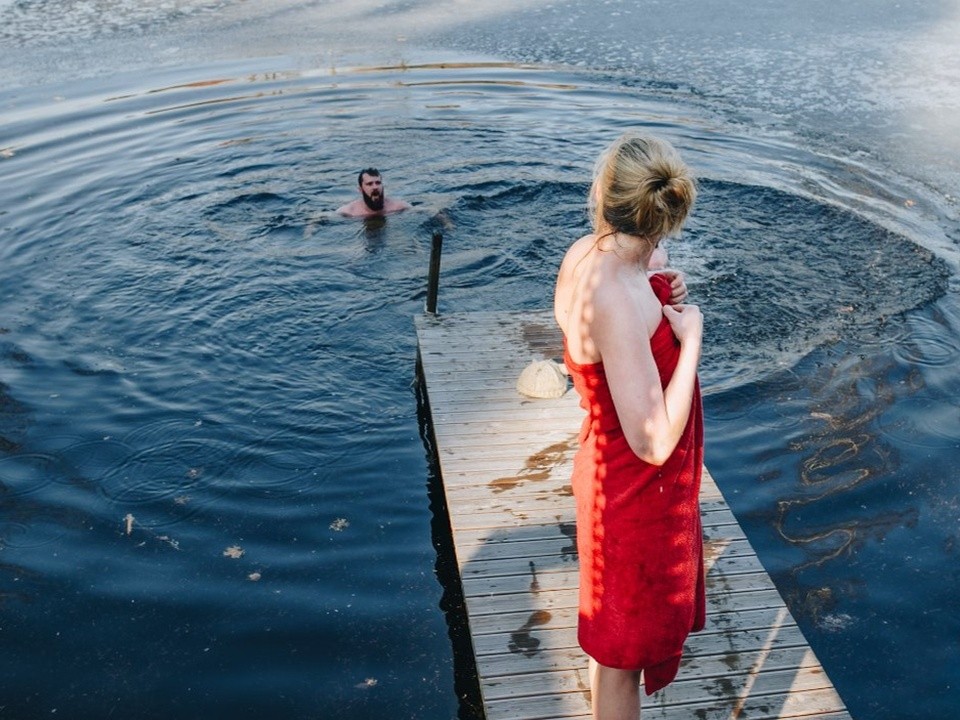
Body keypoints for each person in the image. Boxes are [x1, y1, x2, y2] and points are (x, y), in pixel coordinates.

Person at [553, 132, 704, 719]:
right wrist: (690, 339)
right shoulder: (616, 294)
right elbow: (653, 439)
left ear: (603, 196)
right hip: (632, 495)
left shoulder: (587, 255)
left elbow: (627, 285)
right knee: (621, 663)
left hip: (614, 474)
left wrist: (663, 282)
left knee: (613, 648)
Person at [336, 167, 411, 217]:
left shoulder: (398, 207)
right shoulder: (349, 212)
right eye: (369, 184)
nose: (375, 187)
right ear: (360, 190)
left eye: (378, 183)